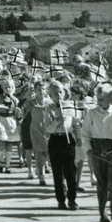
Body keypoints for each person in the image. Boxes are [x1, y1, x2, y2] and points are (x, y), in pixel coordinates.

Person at [81, 83, 112, 222]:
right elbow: (85, 133)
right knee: (101, 182)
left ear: (111, 97)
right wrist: (88, 149)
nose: (99, 102)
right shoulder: (92, 113)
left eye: (102, 99)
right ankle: (102, 213)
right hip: (97, 148)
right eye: (98, 98)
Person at [40, 80, 80, 210]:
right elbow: (47, 128)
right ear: (50, 95)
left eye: (61, 92)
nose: (59, 95)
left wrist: (78, 137)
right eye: (55, 93)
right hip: (55, 140)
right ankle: (61, 199)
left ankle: (72, 199)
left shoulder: (69, 106)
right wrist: (57, 121)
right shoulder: (48, 109)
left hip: (67, 140)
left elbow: (74, 123)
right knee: (58, 172)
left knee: (70, 171)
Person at [0, 80, 21, 173]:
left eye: (10, 87)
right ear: (3, 88)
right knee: (1, 144)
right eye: (6, 87)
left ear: (13, 88)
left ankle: (7, 165)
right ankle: (1, 161)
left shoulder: (15, 100)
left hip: (11, 122)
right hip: (2, 121)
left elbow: (17, 114)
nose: (8, 89)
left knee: (9, 144)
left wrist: (18, 112)